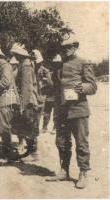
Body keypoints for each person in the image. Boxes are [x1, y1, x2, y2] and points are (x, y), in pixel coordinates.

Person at [46, 35, 97, 189]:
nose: (65, 49)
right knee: (61, 142)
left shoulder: (83, 62)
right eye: (63, 47)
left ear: (75, 47)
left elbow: (93, 86)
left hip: (78, 110)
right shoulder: (59, 65)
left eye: (69, 46)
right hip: (61, 110)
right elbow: (55, 87)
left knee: (81, 143)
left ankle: (83, 173)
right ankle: (64, 170)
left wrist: (83, 87)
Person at [10, 43, 40, 162]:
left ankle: (33, 153)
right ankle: (30, 151)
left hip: (28, 101)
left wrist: (23, 104)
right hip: (26, 100)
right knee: (25, 126)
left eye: (15, 54)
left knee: (29, 126)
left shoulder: (26, 65)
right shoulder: (24, 64)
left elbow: (26, 86)